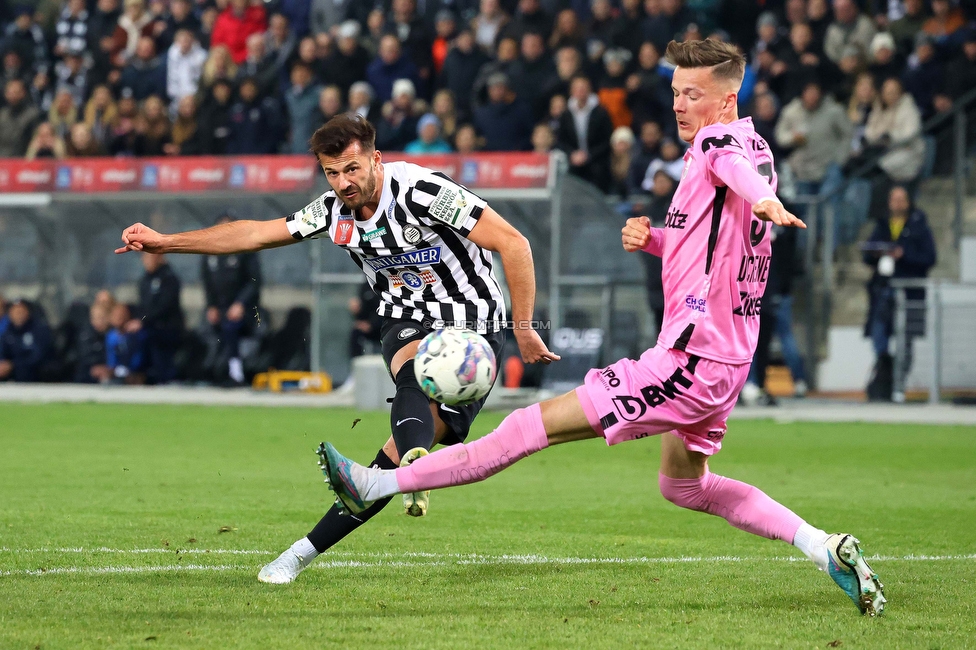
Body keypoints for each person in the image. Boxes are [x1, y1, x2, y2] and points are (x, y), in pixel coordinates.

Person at [318, 39, 887, 618]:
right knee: (684, 486)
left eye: (692, 95)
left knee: (526, 426)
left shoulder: (721, 145)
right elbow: (717, 246)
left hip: (687, 362)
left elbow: (740, 175)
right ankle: (825, 548)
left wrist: (765, 199)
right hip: (727, 362)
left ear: (726, 100)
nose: (678, 106)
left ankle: (375, 485)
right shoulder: (753, 144)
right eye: (673, 93)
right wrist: (659, 239)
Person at [115, 113, 556, 584]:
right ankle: (400, 475)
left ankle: (377, 490)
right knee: (410, 374)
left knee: (388, 459)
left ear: (375, 158)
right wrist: (167, 244)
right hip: (405, 316)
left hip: (473, 326)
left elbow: (515, 243)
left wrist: (525, 327)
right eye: (332, 172)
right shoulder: (331, 211)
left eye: (351, 168)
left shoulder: (424, 193)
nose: (343, 182)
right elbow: (254, 233)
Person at [861, 185, 935, 402]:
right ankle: (884, 374)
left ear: (908, 202)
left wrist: (904, 254)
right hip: (883, 290)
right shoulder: (883, 224)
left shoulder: (919, 225)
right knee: (878, 335)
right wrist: (878, 253)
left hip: (909, 293)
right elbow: (867, 255)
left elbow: (929, 258)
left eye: (901, 199)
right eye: (894, 199)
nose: (897, 204)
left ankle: (899, 385)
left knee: (905, 341)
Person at [201, 212, 262, 385]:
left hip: (245, 311)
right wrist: (210, 305)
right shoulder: (210, 253)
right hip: (219, 308)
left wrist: (241, 304)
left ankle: (235, 372)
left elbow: (254, 281)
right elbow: (207, 283)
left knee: (230, 326)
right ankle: (214, 370)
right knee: (208, 327)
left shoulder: (246, 251)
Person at [132, 253, 184, 384]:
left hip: (167, 328)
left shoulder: (169, 278)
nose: (144, 260)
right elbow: (143, 305)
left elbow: (164, 306)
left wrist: (142, 321)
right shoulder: (145, 280)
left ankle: (165, 378)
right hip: (150, 327)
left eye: (148, 256)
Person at [0, 300, 51, 382]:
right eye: (15, 312)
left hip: (35, 371)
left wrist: (14, 365)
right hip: (11, 371)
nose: (18, 315)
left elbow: (38, 355)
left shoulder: (39, 330)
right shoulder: (8, 332)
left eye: (20, 311)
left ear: (27, 312)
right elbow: (3, 352)